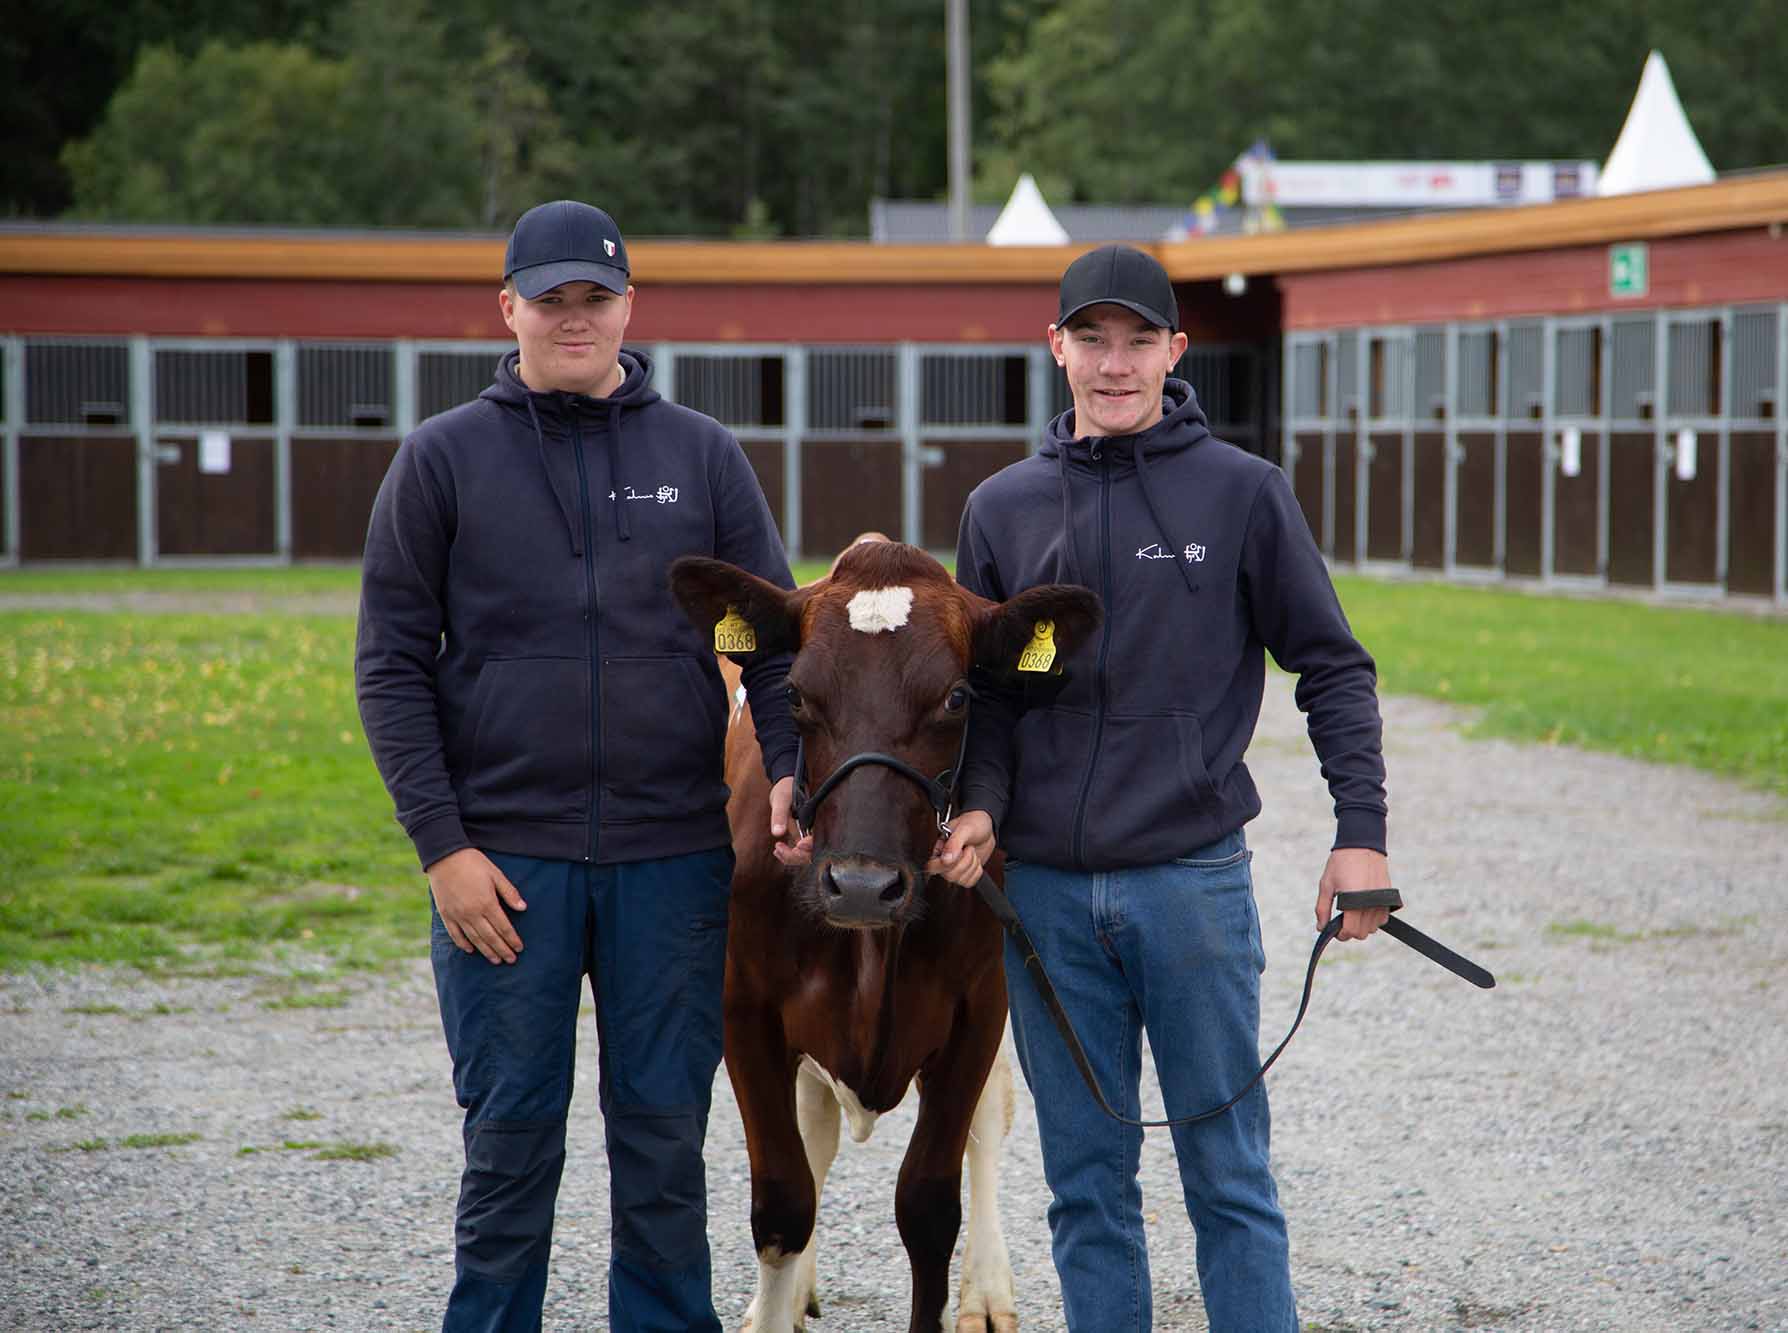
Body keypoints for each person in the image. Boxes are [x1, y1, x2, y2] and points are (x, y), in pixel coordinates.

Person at [354, 199, 801, 1333]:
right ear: (506, 308)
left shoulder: (701, 457)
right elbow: (392, 669)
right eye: (549, 298)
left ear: (628, 307)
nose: (573, 317)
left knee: (663, 1141)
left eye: (594, 297)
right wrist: (444, 850)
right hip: (506, 871)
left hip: (672, 861)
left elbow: (772, 640)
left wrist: (790, 769)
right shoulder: (441, 462)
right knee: (508, 1144)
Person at [931, 244, 1393, 1332]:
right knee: (1084, 1187)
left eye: (1139, 339)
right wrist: (983, 802)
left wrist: (1361, 834)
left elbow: (1331, 665)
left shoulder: (1242, 493)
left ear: (1176, 351)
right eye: (1091, 337)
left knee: (1227, 1176)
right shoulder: (1000, 510)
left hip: (1191, 886)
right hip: (1042, 897)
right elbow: (986, 698)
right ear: (1056, 348)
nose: (1115, 361)